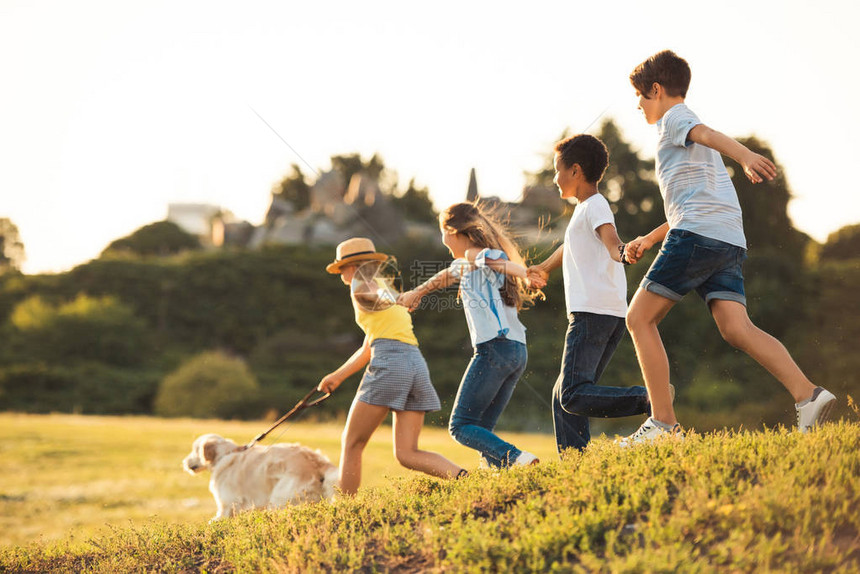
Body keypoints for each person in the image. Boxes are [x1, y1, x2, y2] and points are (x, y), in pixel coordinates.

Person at [620, 50, 836, 444]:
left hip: (698, 235)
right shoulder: (687, 144)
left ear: (656, 89)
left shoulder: (675, 119)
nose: (638, 104)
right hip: (725, 238)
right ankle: (809, 396)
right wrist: (650, 239)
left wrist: (745, 155)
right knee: (736, 327)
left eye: (640, 96)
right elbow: (693, 204)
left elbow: (707, 133)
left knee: (639, 319)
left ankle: (663, 425)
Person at [527, 134, 653, 454]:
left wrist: (623, 252)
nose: (555, 178)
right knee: (562, 397)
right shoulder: (584, 210)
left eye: (558, 170)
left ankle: (651, 399)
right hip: (605, 313)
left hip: (592, 314)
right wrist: (543, 268)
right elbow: (571, 247)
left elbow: (611, 243)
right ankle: (576, 465)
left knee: (571, 395)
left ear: (575, 171)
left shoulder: (596, 206)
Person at [318, 237, 466, 494]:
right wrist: (338, 376)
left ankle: (345, 509)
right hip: (415, 364)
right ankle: (467, 480)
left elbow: (369, 295)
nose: (341, 272)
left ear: (351, 266)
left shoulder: (360, 284)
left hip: (391, 363)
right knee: (407, 453)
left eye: (342, 267)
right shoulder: (384, 287)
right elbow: (370, 344)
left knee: (353, 442)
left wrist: (395, 298)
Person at [398, 203, 540, 468]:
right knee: (481, 429)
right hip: (516, 351)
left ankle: (518, 459)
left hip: (494, 349)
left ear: (452, 231)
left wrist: (525, 273)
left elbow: (500, 263)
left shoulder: (477, 254)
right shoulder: (467, 263)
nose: (443, 240)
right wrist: (417, 292)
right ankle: (500, 476)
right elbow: (444, 276)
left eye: (443, 232)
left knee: (460, 426)